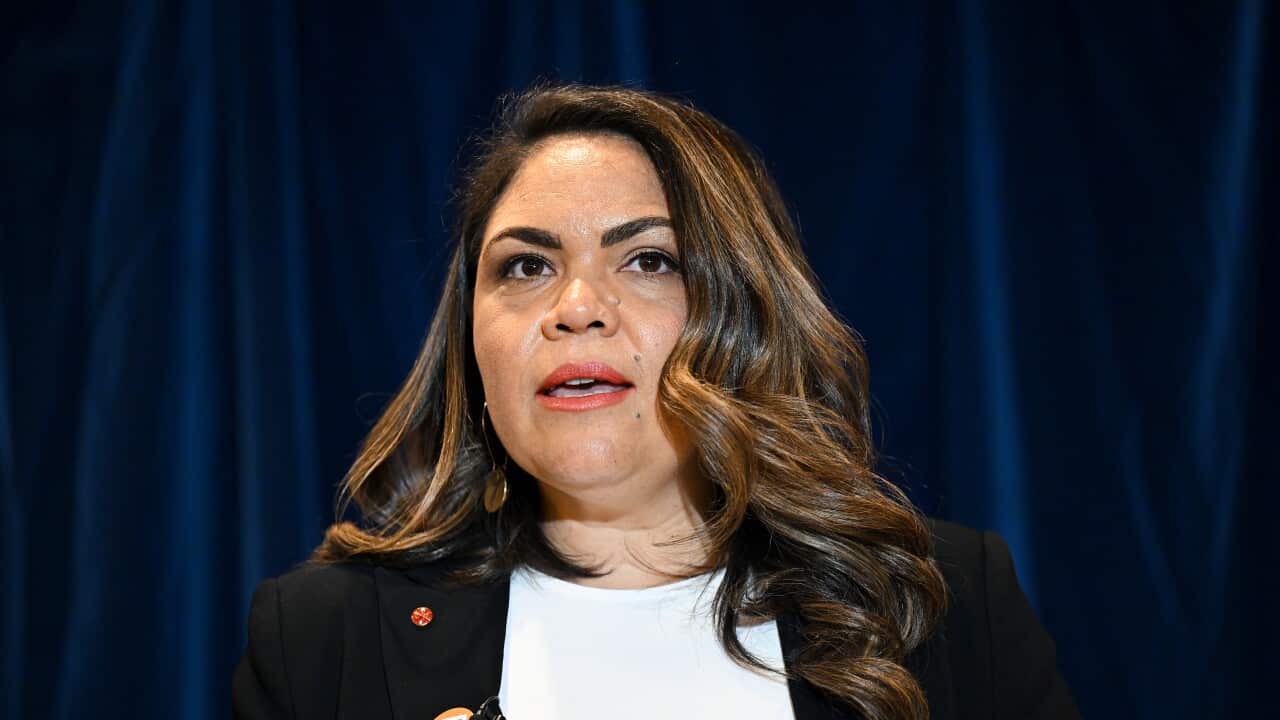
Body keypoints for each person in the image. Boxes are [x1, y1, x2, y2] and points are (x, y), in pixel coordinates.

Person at [232, 84, 1080, 720]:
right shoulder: (320, 640)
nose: (575, 307)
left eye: (647, 260)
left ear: (747, 311)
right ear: (469, 343)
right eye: (526, 266)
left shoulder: (942, 605)